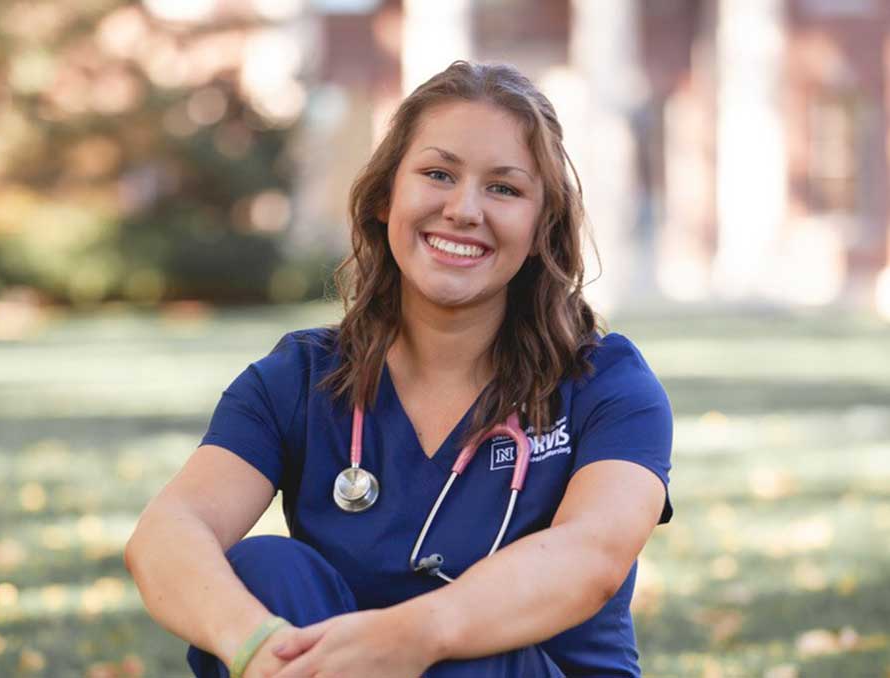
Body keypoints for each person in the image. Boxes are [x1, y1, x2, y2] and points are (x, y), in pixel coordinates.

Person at [124, 60, 673, 678]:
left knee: (467, 658)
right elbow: (169, 531)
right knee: (265, 573)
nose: (464, 210)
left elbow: (592, 555)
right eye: (438, 174)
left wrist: (412, 637)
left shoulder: (607, 382)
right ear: (387, 197)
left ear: (542, 224)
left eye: (505, 188)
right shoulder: (298, 378)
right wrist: (255, 645)